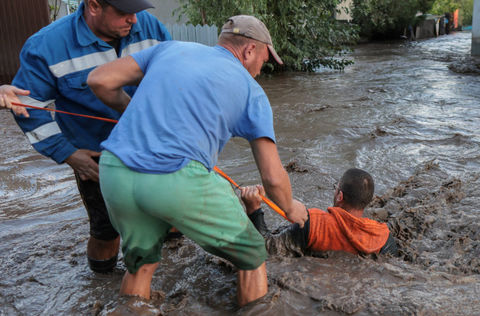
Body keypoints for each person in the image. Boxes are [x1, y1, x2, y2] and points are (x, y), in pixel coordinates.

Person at [86, 15, 308, 306]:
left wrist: (130, 110)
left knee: (140, 265)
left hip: (114, 170)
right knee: (253, 254)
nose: (259, 70)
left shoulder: (170, 48)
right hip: (174, 178)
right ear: (249, 50)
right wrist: (291, 208)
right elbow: (272, 177)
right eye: (264, 61)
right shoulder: (252, 91)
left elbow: (99, 80)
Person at [0, 0, 171, 273]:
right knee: (106, 232)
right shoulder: (46, 46)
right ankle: (101, 284)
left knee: (171, 212)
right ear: (93, 6)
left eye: (137, 12)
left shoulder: (150, 27)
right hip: (96, 157)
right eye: (125, 12)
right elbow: (29, 108)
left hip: (155, 145)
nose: (135, 20)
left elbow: (173, 78)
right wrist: (68, 153)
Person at [240, 168, 398, 257]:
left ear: (339, 196)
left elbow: (266, 249)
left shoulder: (313, 224)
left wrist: (254, 209)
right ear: (367, 201)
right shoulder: (383, 237)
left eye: (336, 188)